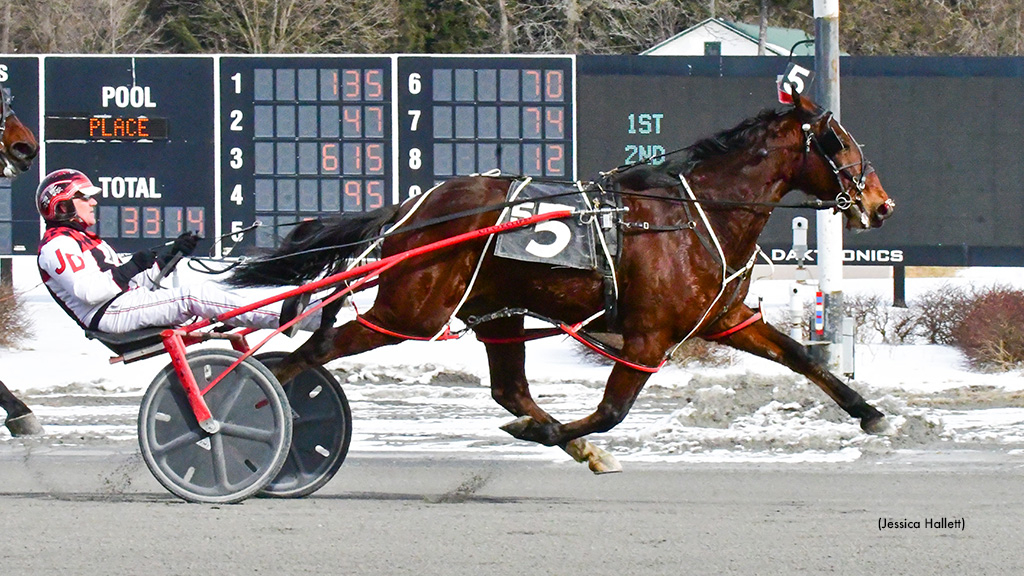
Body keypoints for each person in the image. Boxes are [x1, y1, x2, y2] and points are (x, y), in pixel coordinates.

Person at [36, 168, 317, 336]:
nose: (93, 202)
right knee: (192, 296)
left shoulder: (85, 240)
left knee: (204, 286)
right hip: (108, 315)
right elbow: (90, 293)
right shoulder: (56, 245)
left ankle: (314, 318)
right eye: (84, 197)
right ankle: (282, 316)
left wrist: (169, 256)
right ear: (62, 206)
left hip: (121, 305)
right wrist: (132, 266)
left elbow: (133, 282)